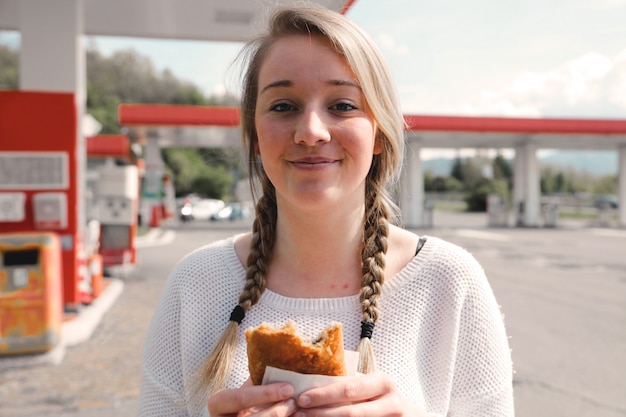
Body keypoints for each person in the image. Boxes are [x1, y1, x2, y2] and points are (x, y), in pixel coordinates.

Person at [138, 5, 514, 417]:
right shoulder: (195, 285)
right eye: (283, 106)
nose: (311, 132)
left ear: (379, 132)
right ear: (255, 135)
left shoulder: (450, 283)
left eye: (343, 105)